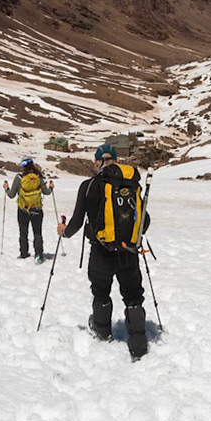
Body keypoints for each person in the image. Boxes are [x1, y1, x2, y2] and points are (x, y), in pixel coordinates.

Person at [58, 142, 152, 359]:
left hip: (101, 251)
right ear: (117, 161)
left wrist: (64, 232)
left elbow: (77, 222)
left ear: (97, 162)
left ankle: (102, 333)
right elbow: (144, 220)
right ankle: (138, 345)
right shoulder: (132, 184)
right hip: (129, 251)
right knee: (133, 296)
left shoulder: (89, 186)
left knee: (101, 291)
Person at [3, 157, 54, 262]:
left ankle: (24, 253)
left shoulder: (19, 178)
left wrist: (6, 188)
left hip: (23, 210)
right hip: (37, 209)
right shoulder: (38, 177)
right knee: (37, 233)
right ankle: (39, 254)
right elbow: (47, 192)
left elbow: (11, 195)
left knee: (23, 232)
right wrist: (51, 187)